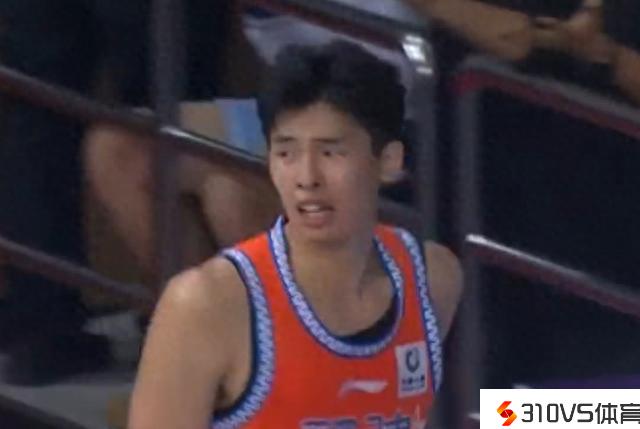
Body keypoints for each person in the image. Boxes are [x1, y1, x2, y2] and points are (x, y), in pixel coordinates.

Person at [128, 40, 463, 428]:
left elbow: (497, 411)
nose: (307, 178)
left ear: (389, 161)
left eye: (331, 152)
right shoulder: (204, 304)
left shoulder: (434, 277)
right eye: (286, 153)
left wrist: (522, 414)